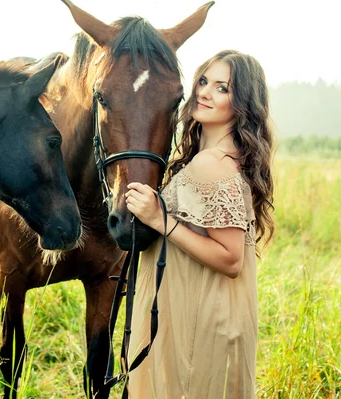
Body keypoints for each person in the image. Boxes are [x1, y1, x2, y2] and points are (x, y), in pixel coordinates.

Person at [124, 49, 275, 398]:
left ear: (243, 105)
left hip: (201, 322)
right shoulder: (219, 157)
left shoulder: (213, 164)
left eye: (223, 88)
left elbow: (231, 259)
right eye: (204, 81)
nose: (205, 92)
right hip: (196, 315)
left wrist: (160, 220)